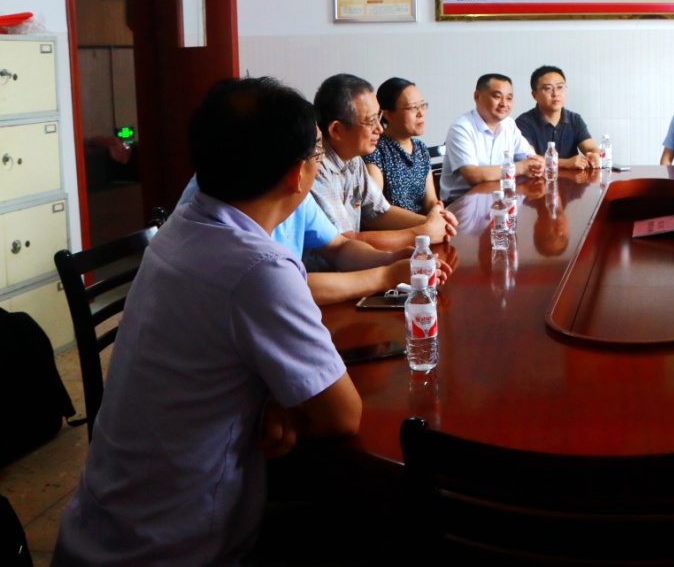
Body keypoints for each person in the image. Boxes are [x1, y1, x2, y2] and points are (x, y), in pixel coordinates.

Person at [53, 78, 361, 566]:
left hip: (100, 530)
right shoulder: (259, 267)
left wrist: (274, 398)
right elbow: (343, 416)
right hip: (174, 548)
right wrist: (287, 400)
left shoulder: (183, 226)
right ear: (296, 174)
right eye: (318, 152)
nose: (319, 162)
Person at [174, 168, 434, 305]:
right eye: (317, 152)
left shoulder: (292, 191)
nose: (318, 166)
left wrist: (389, 259)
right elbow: (282, 286)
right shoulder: (220, 200)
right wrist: (385, 276)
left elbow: (339, 247)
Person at [309, 74, 454, 270]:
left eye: (378, 117)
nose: (379, 128)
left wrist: (435, 222)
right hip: (326, 277)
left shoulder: (353, 159)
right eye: (370, 121)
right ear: (336, 130)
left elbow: (379, 212)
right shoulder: (314, 169)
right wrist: (422, 232)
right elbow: (343, 243)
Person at [440, 73, 544, 201]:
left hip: (499, 197)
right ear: (477, 96)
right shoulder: (461, 128)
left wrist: (537, 164)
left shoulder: (509, 124)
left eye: (509, 98)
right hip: (461, 203)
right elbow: (472, 175)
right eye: (497, 97)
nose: (504, 103)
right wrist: (520, 168)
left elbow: (529, 157)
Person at [366, 77, 443, 213]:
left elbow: (430, 201)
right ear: (388, 115)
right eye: (413, 108)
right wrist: (427, 222)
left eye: (422, 105)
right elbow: (375, 210)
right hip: (395, 225)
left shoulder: (420, 149)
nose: (421, 113)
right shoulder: (375, 150)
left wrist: (439, 214)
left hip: (424, 223)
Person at [515, 65, 600, 170]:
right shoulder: (523, 123)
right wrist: (565, 163)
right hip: (539, 179)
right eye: (548, 88)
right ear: (534, 95)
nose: (555, 93)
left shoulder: (575, 119)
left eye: (560, 87)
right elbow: (530, 159)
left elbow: (590, 148)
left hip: (573, 180)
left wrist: (594, 156)